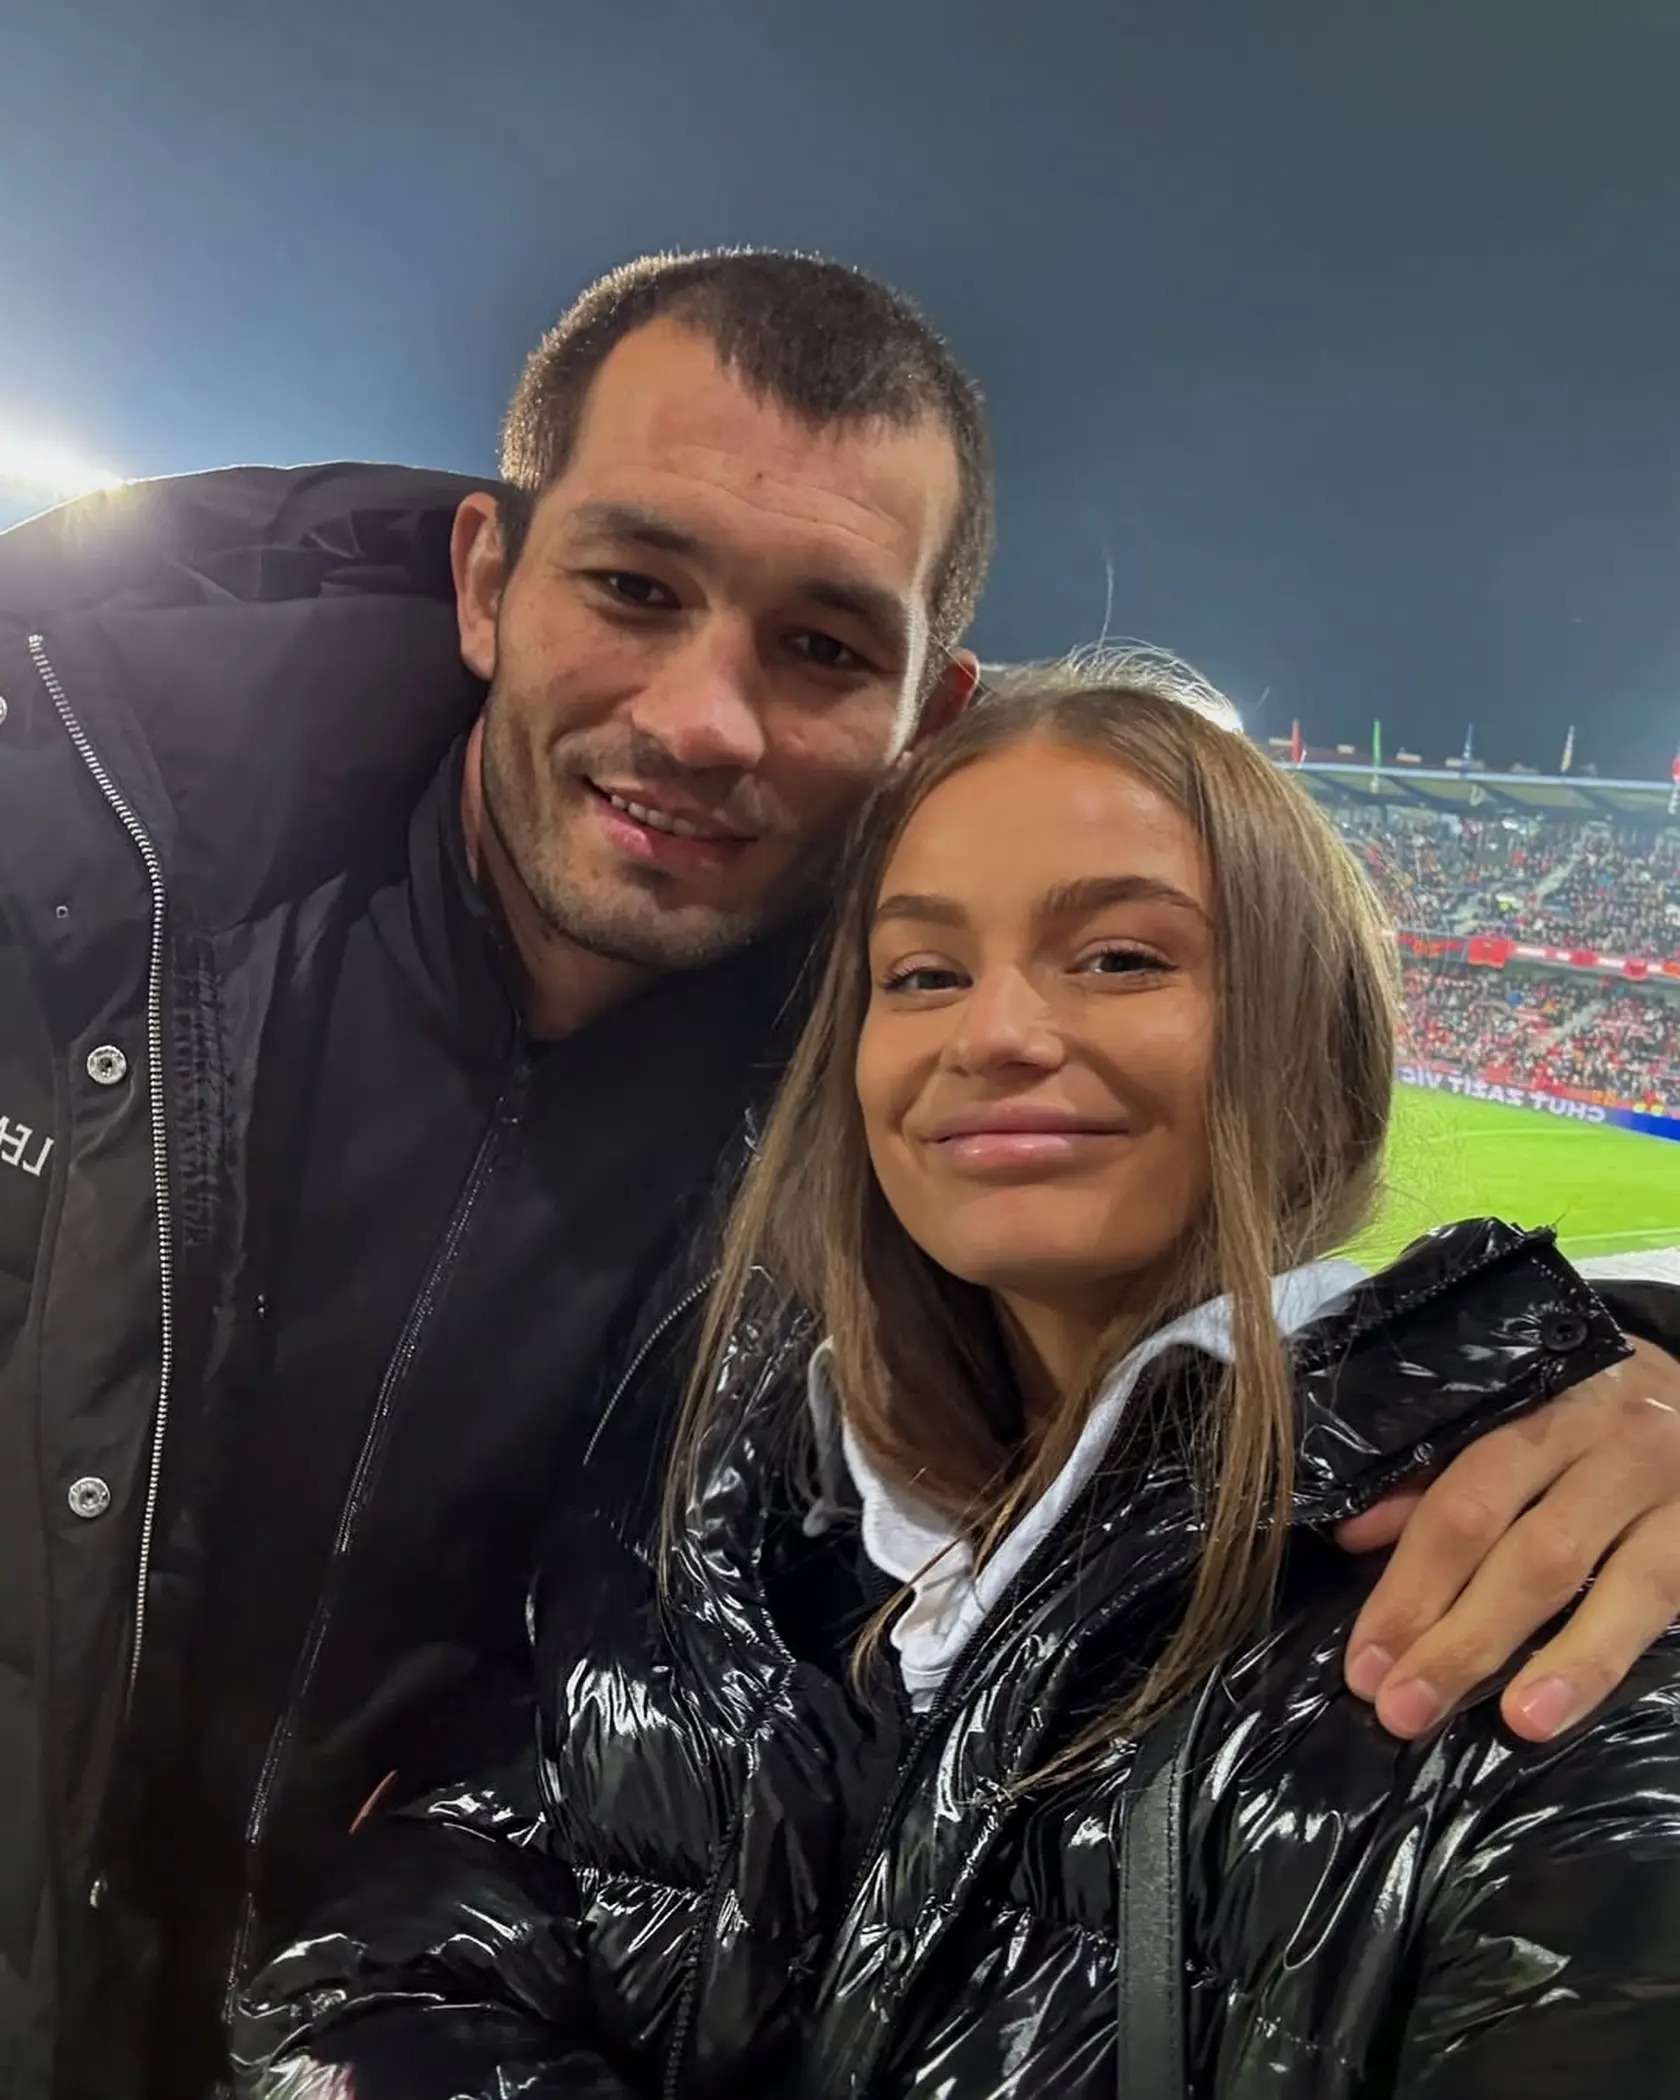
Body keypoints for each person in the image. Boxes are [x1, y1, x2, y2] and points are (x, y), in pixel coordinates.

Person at [1, 253, 1677, 2099]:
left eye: (822, 647)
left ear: (922, 708)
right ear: (485, 579)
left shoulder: (858, 1242)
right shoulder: (72, 883)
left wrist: (1603, 1363)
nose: (704, 719)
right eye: (633, 587)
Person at [235, 662, 1680, 2100]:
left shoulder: (1551, 1602)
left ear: (1313, 1020)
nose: (992, 1034)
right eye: (922, 973)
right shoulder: (712, 1509)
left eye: (1121, 957)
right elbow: (379, 1968)